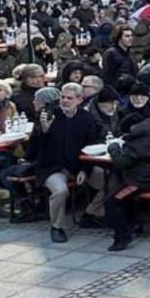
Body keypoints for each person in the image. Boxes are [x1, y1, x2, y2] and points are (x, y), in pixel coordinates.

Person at [29, 83, 106, 243]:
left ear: (79, 100)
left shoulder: (87, 118)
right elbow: (33, 150)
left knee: (109, 181)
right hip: (52, 167)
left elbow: (92, 146)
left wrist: (85, 169)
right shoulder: (49, 115)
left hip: (79, 165)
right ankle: (56, 227)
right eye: (62, 97)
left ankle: (91, 213)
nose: (64, 101)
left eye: (69, 98)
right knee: (60, 191)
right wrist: (44, 130)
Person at [105, 111, 150, 252]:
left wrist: (113, 147)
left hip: (141, 181)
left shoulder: (136, 142)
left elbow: (121, 162)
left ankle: (123, 236)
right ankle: (132, 225)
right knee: (121, 196)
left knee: (112, 200)